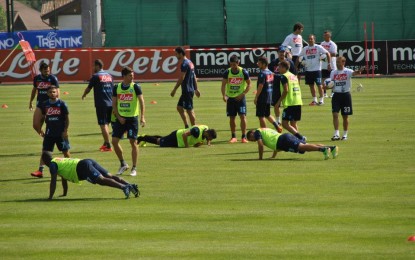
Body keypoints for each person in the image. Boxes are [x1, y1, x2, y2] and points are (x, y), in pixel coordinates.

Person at [41, 151, 139, 200]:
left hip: (83, 167)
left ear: (45, 161)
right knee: (109, 176)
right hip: (87, 161)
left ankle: (124, 187)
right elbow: (63, 178)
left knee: (101, 180)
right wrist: (65, 193)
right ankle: (130, 185)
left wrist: (50, 197)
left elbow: (53, 181)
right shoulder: (57, 160)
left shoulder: (52, 165)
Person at [111, 66, 146, 177]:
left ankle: (134, 168)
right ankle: (123, 164)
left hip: (132, 119)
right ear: (124, 76)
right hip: (120, 119)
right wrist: (119, 117)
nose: (132, 77)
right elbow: (114, 104)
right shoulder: (116, 88)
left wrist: (142, 117)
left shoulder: (135, 87)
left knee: (133, 142)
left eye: (133, 75)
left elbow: (142, 102)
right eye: (130, 75)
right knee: (114, 142)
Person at [32, 86, 70, 178]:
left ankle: (70, 168)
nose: (52, 94)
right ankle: (40, 170)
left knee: (65, 151)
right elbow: (42, 118)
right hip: (49, 133)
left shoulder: (62, 104)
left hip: (60, 133)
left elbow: (67, 119)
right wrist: (40, 129)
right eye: (50, 92)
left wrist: (65, 131)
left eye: (54, 92)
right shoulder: (45, 104)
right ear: (47, 94)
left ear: (57, 93)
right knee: (45, 152)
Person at [30, 62, 60, 177]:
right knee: (35, 125)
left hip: (50, 106)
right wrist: (31, 101)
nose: (48, 72)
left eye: (48, 70)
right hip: (40, 105)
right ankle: (43, 134)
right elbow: (34, 90)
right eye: (46, 71)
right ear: (41, 70)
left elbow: (57, 91)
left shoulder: (53, 78)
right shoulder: (37, 79)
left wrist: (57, 104)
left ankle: (41, 170)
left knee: (59, 148)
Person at [326, 56, 363, 141]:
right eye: (337, 62)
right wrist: (327, 87)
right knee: (335, 114)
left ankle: (345, 134)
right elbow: (331, 83)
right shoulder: (333, 72)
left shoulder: (348, 71)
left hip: (346, 95)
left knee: (345, 116)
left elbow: (355, 73)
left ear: (343, 62)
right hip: (336, 95)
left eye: (339, 62)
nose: (337, 64)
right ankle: (336, 134)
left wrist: (359, 71)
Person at [82, 59, 114, 152]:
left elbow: (89, 88)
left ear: (97, 66)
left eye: (94, 66)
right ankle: (105, 142)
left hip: (101, 103)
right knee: (107, 123)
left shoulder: (96, 76)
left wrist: (84, 94)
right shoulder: (109, 76)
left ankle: (108, 144)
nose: (93, 68)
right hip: (110, 103)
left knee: (103, 124)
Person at [247, 128, 338, 160]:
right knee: (305, 147)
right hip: (284, 139)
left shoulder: (257, 132)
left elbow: (260, 145)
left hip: (284, 140)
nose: (253, 140)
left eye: (251, 139)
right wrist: (273, 156)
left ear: (252, 133)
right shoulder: (264, 130)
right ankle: (331, 148)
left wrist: (260, 158)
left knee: (302, 147)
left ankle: (323, 149)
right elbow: (274, 143)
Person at [221, 55, 251, 143]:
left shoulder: (244, 72)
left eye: (234, 64)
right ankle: (233, 137)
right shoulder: (227, 72)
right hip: (231, 99)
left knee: (242, 116)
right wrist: (224, 95)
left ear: (238, 63)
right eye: (231, 64)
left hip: (240, 99)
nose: (233, 66)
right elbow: (223, 85)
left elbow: (249, 84)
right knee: (232, 118)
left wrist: (243, 94)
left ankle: (243, 137)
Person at [274, 60, 306, 141]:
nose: (278, 69)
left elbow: (286, 90)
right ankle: (299, 141)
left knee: (284, 123)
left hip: (290, 102)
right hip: (297, 101)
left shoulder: (284, 76)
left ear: (284, 68)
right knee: (293, 123)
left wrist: (278, 102)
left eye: (280, 67)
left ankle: (300, 137)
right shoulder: (293, 75)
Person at [296, 34, 331, 106]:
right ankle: (314, 100)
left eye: (311, 39)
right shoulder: (305, 48)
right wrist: (295, 67)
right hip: (308, 70)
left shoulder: (318, 47)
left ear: (314, 40)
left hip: (317, 70)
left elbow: (327, 53)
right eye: (309, 39)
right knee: (311, 86)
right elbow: (299, 57)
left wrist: (329, 64)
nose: (310, 40)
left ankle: (321, 100)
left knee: (319, 85)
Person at [170, 46, 200, 128]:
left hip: (187, 90)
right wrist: (196, 89)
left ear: (181, 54)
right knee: (179, 108)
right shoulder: (190, 62)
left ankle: (195, 130)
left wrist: (174, 89)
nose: (176, 56)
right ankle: (187, 126)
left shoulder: (184, 64)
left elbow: (181, 78)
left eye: (176, 54)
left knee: (189, 110)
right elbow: (194, 76)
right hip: (188, 90)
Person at [268, 46, 296, 128]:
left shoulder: (289, 62)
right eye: (280, 52)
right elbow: (270, 74)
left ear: (285, 53)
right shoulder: (273, 63)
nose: (282, 54)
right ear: (278, 53)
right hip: (276, 86)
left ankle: (290, 119)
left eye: (283, 52)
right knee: (276, 104)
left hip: (287, 86)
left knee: (288, 103)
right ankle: (278, 120)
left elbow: (294, 74)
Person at [254, 56, 281, 132]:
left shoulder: (262, 73)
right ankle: (277, 125)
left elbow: (261, 85)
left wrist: (256, 97)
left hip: (262, 97)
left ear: (263, 64)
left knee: (261, 116)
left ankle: (265, 133)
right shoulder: (270, 72)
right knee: (267, 114)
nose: (257, 64)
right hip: (269, 97)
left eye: (259, 63)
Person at [137, 125, 217, 148]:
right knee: (159, 142)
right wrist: (186, 146)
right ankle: (142, 138)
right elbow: (184, 135)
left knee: (162, 139)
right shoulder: (196, 131)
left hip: (179, 141)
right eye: (210, 138)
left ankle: (145, 138)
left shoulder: (206, 129)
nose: (209, 140)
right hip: (177, 137)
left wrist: (208, 143)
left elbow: (205, 138)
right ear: (207, 134)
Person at [320, 30, 338, 98]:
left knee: (333, 79)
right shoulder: (322, 44)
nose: (324, 36)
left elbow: (334, 54)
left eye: (326, 35)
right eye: (324, 35)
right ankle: (324, 93)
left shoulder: (332, 44)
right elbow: (319, 53)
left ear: (329, 36)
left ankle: (333, 92)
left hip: (332, 65)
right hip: (323, 65)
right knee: (323, 79)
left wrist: (326, 54)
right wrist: (322, 56)